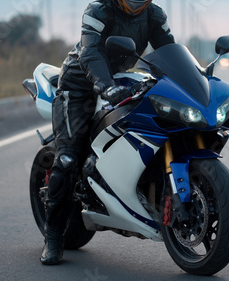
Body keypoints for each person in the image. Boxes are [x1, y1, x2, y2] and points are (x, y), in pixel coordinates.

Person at [40, 0, 175, 265]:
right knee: (67, 159)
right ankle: (53, 236)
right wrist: (105, 86)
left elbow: (169, 50)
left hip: (118, 81)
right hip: (78, 87)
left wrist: (192, 76)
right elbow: (90, 53)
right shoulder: (98, 10)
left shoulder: (154, 14)